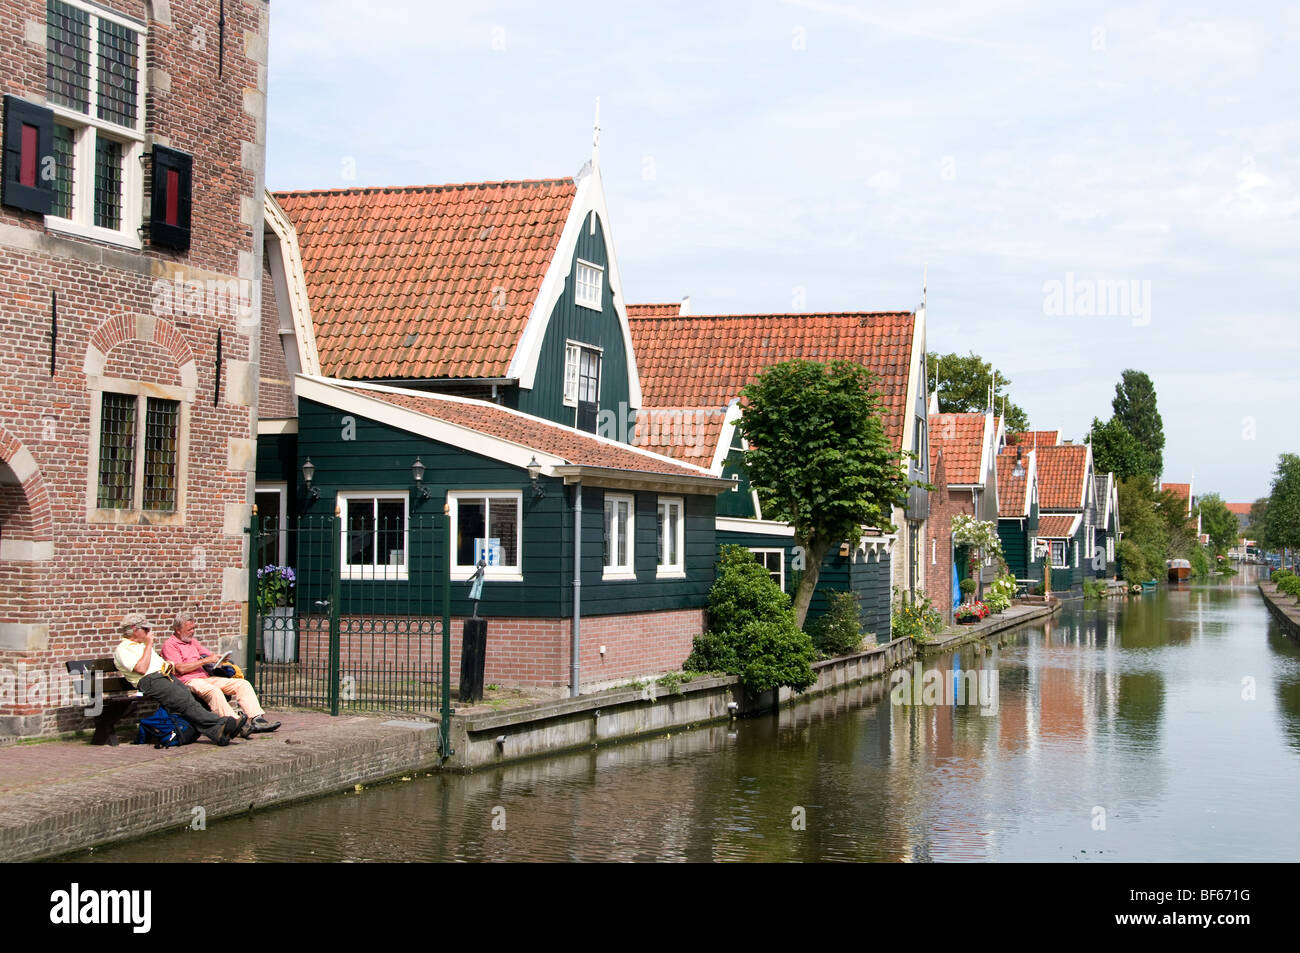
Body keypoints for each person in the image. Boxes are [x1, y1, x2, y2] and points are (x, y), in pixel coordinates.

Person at [112, 612, 244, 746]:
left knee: (190, 701)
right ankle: (222, 723)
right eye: (145, 629)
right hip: (150, 680)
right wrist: (149, 644)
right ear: (134, 629)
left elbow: (158, 663)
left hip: (165, 676)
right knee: (184, 701)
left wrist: (169, 664)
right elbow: (141, 669)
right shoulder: (123, 649)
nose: (149, 632)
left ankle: (218, 733)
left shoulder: (142, 645)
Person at [161, 612, 281, 734]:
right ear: (177, 629)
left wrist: (220, 659)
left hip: (205, 678)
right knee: (214, 691)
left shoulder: (192, 642)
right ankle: (236, 723)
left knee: (242, 684)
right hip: (188, 681)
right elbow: (180, 668)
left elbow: (208, 656)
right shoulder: (170, 645)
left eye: (193, 628)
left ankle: (257, 719)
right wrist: (205, 661)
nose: (192, 632)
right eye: (189, 629)